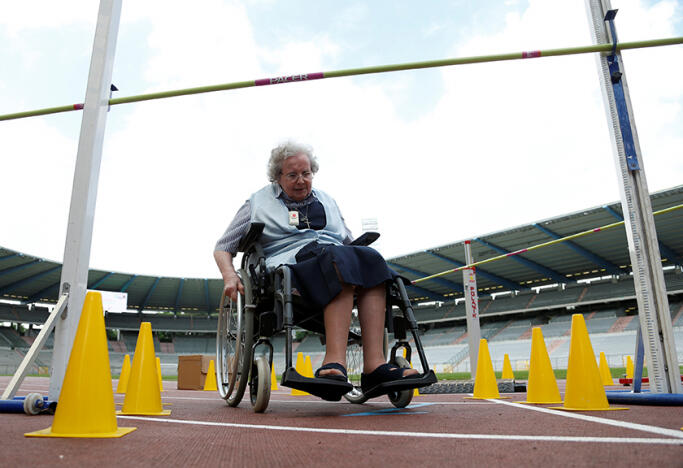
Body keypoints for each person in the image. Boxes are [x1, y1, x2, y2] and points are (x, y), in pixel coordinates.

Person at [213, 141, 417, 396]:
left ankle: (375, 366)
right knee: (337, 260)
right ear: (278, 176)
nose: (301, 180)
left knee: (370, 258)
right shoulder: (257, 202)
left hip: (331, 256)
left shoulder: (328, 201)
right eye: (292, 175)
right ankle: (334, 362)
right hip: (290, 264)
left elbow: (347, 243)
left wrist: (361, 254)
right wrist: (229, 275)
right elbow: (223, 247)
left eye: (306, 173)